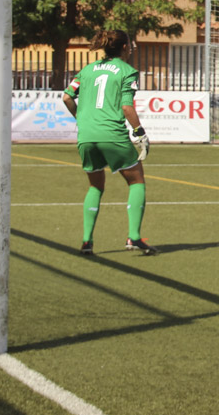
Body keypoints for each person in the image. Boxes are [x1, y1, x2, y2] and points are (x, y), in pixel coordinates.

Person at [62, 30, 157, 256]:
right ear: (124, 47)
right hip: (112, 134)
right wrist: (140, 132)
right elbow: (126, 107)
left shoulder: (86, 70)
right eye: (130, 45)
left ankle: (87, 241)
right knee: (136, 181)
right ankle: (134, 236)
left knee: (95, 185)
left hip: (85, 135)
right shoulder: (127, 71)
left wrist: (82, 119)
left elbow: (67, 97)